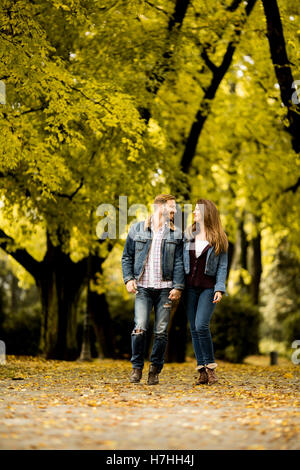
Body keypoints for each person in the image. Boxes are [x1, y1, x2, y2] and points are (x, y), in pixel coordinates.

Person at [121, 194, 184, 385]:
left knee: (161, 332)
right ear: (159, 206)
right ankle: (137, 368)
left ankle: (154, 370)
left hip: (165, 289)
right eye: (171, 207)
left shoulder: (176, 234)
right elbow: (127, 257)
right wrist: (128, 279)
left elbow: (180, 262)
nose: (174, 211)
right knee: (139, 328)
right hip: (143, 289)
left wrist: (178, 286)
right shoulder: (137, 228)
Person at [183, 199, 228, 385]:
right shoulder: (188, 234)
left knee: (201, 325)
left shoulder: (219, 237)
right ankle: (201, 370)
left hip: (208, 288)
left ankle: (210, 368)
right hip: (189, 288)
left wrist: (220, 288)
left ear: (207, 213)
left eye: (197, 210)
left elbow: (223, 266)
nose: (194, 212)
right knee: (194, 328)